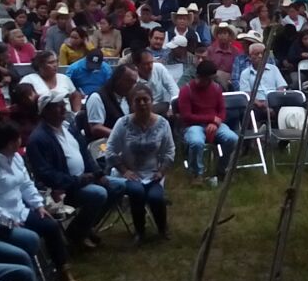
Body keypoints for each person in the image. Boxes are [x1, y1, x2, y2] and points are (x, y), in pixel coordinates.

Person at [0, 121, 81, 281]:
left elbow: (26, 184)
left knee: (51, 226)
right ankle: (33, 280)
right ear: (10, 142)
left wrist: (38, 205)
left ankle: (64, 272)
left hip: (21, 210)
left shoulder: (16, 157)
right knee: (28, 239)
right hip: (1, 218)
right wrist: (8, 218)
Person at [25, 90, 121, 249]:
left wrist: (97, 174)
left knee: (118, 186)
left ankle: (85, 226)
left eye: (63, 104)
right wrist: (78, 180)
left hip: (85, 178)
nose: (64, 108)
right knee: (99, 194)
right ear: (46, 111)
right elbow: (46, 174)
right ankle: (77, 234)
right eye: (58, 106)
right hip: (63, 189)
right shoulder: (38, 139)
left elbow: (85, 153)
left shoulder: (69, 127)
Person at [105, 83, 175, 244]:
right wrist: (124, 171)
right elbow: (110, 150)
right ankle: (139, 231)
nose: (142, 104)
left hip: (153, 172)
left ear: (152, 101)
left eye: (146, 100)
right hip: (131, 173)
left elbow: (170, 150)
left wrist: (162, 171)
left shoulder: (163, 124)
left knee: (156, 197)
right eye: (138, 101)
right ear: (131, 104)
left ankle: (163, 228)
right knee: (136, 192)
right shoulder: (122, 124)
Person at [178, 60, 237, 187]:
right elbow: (186, 116)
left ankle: (222, 169)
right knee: (196, 142)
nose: (210, 82)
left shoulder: (216, 88)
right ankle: (196, 173)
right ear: (200, 76)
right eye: (208, 79)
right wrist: (210, 119)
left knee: (232, 138)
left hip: (214, 124)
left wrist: (215, 124)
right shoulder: (186, 91)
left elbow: (222, 111)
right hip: (192, 125)